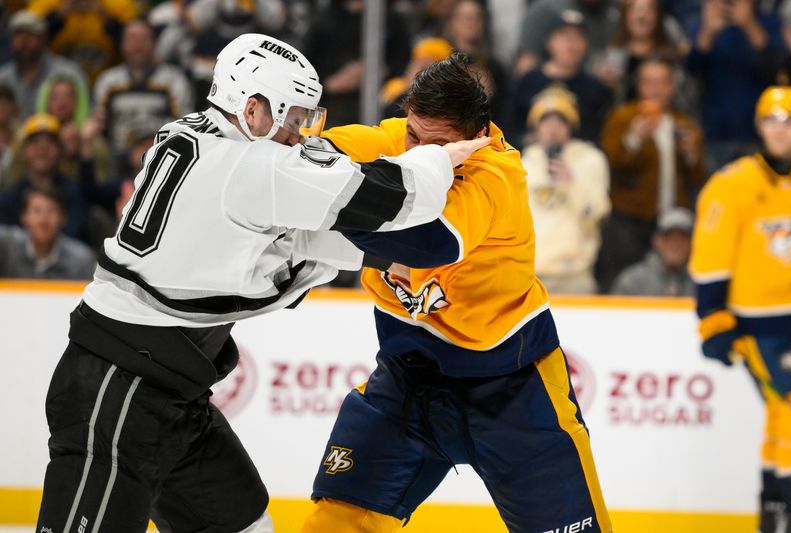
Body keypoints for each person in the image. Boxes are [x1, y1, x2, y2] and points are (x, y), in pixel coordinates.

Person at [35, 34, 487, 533]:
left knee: (247, 524)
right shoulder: (250, 165)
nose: (302, 134)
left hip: (168, 389)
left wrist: (377, 257)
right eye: (293, 118)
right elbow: (396, 197)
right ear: (252, 109)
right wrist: (442, 157)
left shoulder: (192, 136)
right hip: (116, 392)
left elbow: (279, 240)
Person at [301, 54, 611, 533]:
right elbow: (301, 155)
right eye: (413, 136)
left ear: (476, 137)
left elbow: (426, 244)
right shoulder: (390, 140)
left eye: (438, 145)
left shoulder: (496, 176)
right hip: (409, 382)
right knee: (336, 523)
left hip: (512, 387)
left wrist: (324, 209)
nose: (419, 154)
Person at [689, 86, 791, 533]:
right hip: (758, 329)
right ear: (759, 127)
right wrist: (713, 321)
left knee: (783, 418)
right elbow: (710, 261)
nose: (780, 129)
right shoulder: (731, 185)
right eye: (772, 121)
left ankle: (774, 513)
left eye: (790, 120)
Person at [597, 57, 704, 292]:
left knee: (674, 281)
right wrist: (633, 139)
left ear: (672, 86)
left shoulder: (683, 123)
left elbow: (696, 177)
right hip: (629, 220)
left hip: (671, 220)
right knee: (626, 279)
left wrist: (691, 154)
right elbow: (609, 164)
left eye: (663, 82)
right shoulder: (622, 118)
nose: (655, 89)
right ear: (639, 85)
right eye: (649, 82)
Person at [521, 87, 610, 294]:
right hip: (530, 274)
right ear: (536, 127)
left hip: (574, 274)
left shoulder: (591, 161)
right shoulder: (522, 164)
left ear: (571, 126)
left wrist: (572, 186)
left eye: (560, 121)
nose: (553, 128)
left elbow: (598, 213)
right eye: (546, 120)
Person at [686, 0, 783, 173]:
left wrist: (750, 25)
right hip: (716, 133)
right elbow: (691, 71)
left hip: (758, 133)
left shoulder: (770, 22)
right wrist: (707, 33)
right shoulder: (704, 23)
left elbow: (775, 71)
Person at [93, 18, 194, 172]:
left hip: (163, 155)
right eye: (132, 38)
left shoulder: (173, 79)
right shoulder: (108, 81)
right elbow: (99, 125)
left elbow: (184, 126)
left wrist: (150, 146)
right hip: (118, 159)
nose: (137, 45)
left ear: (154, 43)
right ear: (121, 44)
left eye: (143, 38)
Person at [508, 10, 614, 147]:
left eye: (578, 36)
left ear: (587, 44)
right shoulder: (526, 82)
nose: (571, 42)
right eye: (563, 35)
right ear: (548, 42)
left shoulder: (597, 89)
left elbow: (599, 137)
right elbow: (509, 127)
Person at [0, 113, 88, 240]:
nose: (42, 149)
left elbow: (76, 233)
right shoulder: (9, 197)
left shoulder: (74, 193)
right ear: (24, 150)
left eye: (49, 143)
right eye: (35, 143)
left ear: (60, 150)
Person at [0, 10, 88, 120]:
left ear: (44, 38)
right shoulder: (3, 77)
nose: (24, 41)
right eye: (18, 35)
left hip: (61, 135)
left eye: (30, 35)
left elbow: (86, 116)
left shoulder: (68, 72)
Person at [0, 185, 95, 279]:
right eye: (37, 211)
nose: (43, 220)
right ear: (24, 217)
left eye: (51, 211)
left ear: (63, 218)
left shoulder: (81, 260)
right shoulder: (7, 247)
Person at [516, 0, 619, 76]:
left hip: (593, 86)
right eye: (564, 35)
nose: (571, 42)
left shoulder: (615, 8)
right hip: (550, 85)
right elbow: (526, 63)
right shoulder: (547, 8)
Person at [610, 206, 694, 296]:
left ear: (693, 243)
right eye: (669, 238)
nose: (676, 244)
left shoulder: (701, 281)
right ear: (656, 241)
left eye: (683, 239)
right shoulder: (632, 281)